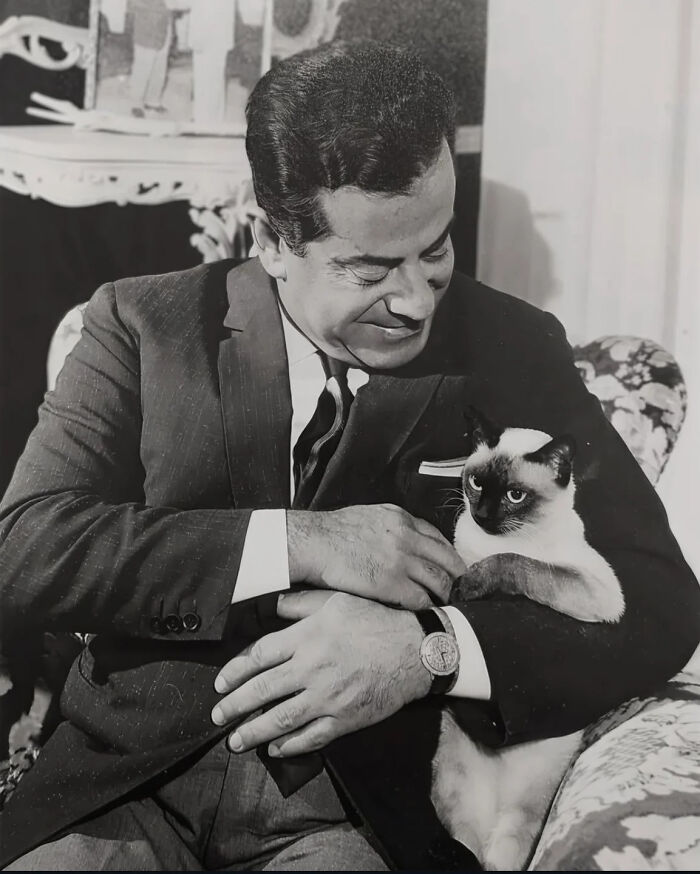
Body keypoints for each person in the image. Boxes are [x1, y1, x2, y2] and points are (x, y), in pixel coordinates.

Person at [1, 40, 698, 871]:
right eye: (368, 267)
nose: (413, 301)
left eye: (434, 249)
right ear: (270, 240)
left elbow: (660, 602)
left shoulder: (512, 346)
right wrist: (299, 539)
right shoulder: (141, 325)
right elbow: (28, 546)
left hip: (359, 820)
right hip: (125, 794)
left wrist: (432, 651)